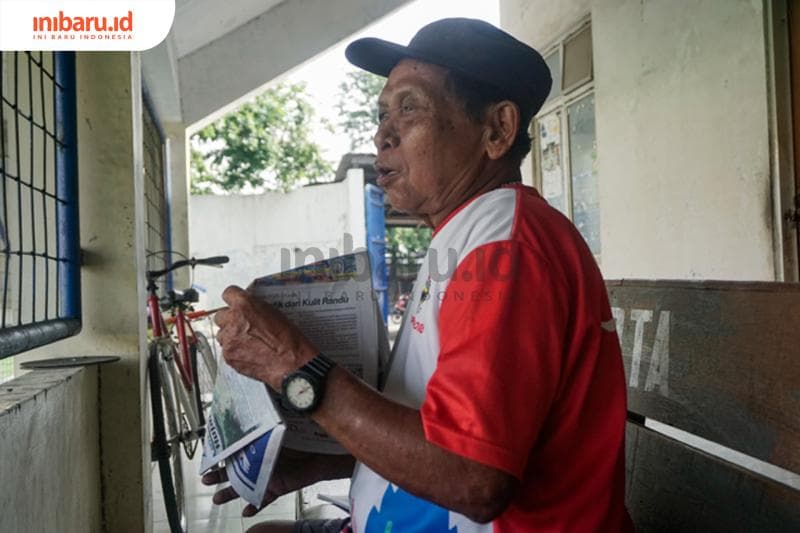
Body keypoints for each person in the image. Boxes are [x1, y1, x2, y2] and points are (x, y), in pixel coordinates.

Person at [205, 17, 632, 533]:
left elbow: (476, 479)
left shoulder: (506, 249)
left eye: (410, 108)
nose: (383, 132)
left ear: (496, 130)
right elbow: (453, 442)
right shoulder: (470, 232)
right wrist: (323, 463)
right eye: (383, 112)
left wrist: (293, 368)